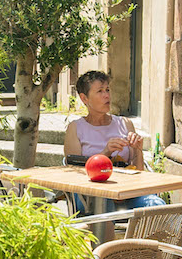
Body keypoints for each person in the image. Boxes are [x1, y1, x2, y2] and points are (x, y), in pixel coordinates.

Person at [64, 70, 165, 209]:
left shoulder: (125, 123)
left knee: (155, 204)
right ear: (84, 98)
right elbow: (74, 173)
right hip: (90, 195)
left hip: (126, 191)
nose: (107, 95)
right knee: (103, 204)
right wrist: (105, 153)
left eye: (107, 89)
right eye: (100, 91)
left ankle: (162, 231)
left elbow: (138, 171)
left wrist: (137, 150)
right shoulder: (75, 128)